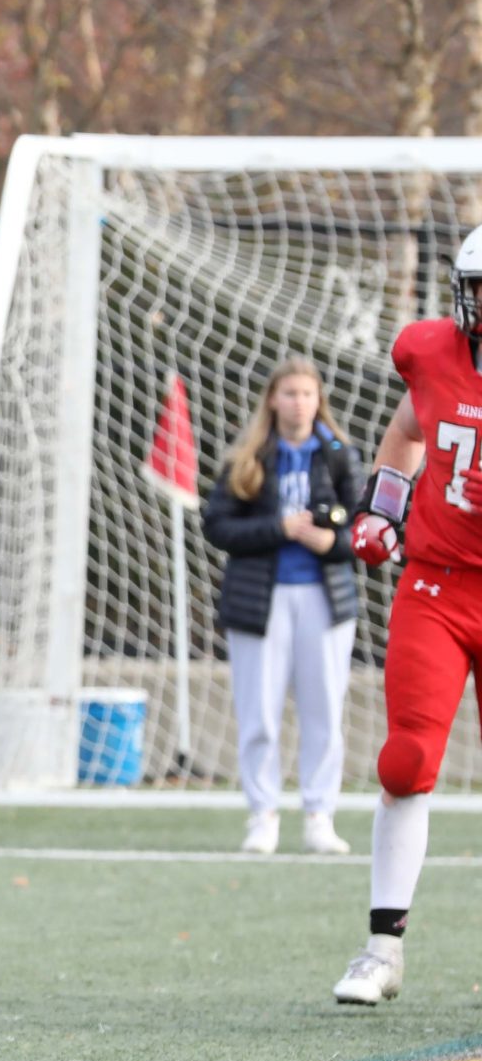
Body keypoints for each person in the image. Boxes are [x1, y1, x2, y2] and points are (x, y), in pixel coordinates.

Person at [330, 223, 482, 1005]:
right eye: (478, 288)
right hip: (440, 583)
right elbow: (407, 428)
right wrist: (385, 507)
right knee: (405, 759)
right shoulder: (430, 352)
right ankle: (382, 948)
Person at [200, 358, 360, 856]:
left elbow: (364, 532)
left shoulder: (339, 457)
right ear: (273, 399)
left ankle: (319, 814)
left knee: (324, 711)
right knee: (260, 714)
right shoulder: (248, 458)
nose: (298, 403)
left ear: (319, 400)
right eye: (289, 393)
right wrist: (280, 530)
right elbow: (218, 527)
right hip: (259, 601)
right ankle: (262, 814)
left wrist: (327, 541)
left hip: (325, 599)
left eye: (307, 394)